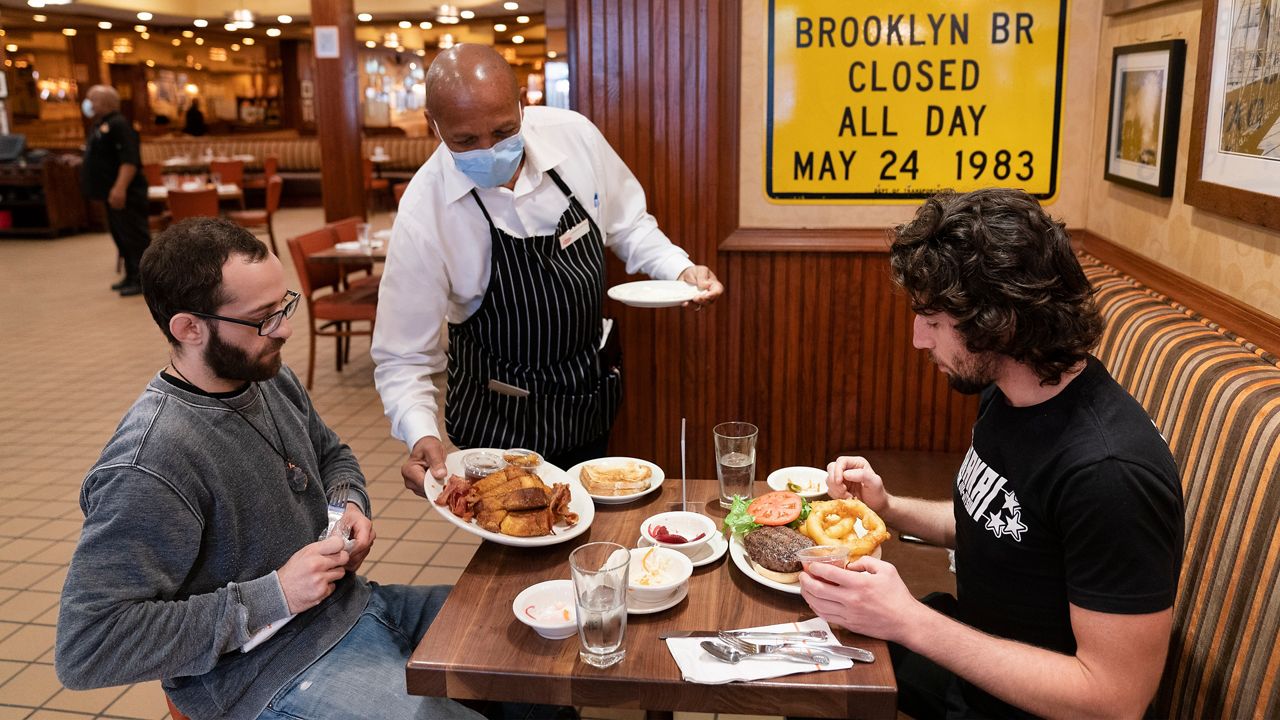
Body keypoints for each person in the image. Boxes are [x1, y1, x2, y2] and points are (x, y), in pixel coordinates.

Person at [54, 217, 482, 720]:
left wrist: (348, 501)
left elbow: (331, 455)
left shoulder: (264, 377)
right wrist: (274, 595)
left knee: (516, 649)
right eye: (263, 318)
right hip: (266, 674)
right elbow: (87, 646)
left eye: (283, 306)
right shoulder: (151, 463)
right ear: (189, 328)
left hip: (352, 608)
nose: (285, 329)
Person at [800, 188, 1184, 719]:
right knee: (800, 669)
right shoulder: (1011, 392)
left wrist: (909, 620)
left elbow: (1114, 700)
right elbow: (1004, 525)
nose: (917, 339)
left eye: (933, 322)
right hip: (974, 658)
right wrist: (889, 509)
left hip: (1024, 706)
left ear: (997, 323)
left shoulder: (1109, 475)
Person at [373, 44, 724, 495]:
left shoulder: (573, 136)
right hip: (496, 424)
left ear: (523, 104)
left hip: (584, 399)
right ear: (432, 126)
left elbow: (629, 224)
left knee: (588, 531)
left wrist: (679, 270)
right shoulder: (425, 211)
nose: (490, 149)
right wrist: (420, 431)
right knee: (516, 543)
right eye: (465, 140)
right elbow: (402, 356)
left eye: (504, 130)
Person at [81, 84, 150, 296]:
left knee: (134, 237)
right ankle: (130, 275)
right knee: (121, 237)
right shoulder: (101, 124)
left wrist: (119, 188)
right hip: (108, 193)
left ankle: (144, 281)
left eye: (92, 99)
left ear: (106, 102)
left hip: (125, 193)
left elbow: (129, 160)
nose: (88, 104)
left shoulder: (119, 125)